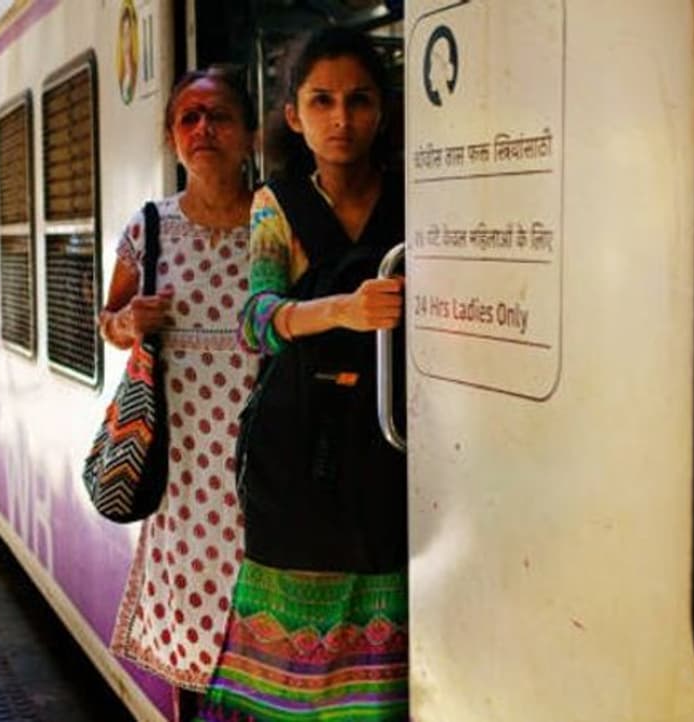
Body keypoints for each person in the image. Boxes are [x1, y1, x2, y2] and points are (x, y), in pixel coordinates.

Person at [198, 28, 408, 722]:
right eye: (322, 101)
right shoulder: (277, 204)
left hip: (391, 444)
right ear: (294, 115)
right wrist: (344, 310)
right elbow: (256, 319)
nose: (341, 118)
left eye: (359, 100)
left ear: (382, 110)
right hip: (298, 448)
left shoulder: (416, 196)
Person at [98, 65, 260, 721]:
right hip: (183, 482)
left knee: (262, 653)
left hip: (263, 476)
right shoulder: (149, 230)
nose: (203, 129)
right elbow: (107, 321)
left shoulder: (278, 221)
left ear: (249, 135)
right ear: (172, 138)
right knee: (191, 656)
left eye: (219, 116)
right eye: (188, 118)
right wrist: (130, 323)